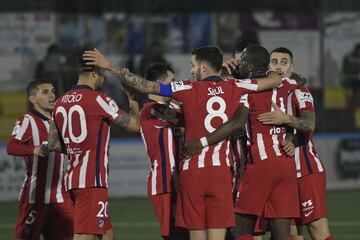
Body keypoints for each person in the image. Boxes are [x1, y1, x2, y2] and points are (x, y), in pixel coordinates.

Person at [82, 46, 281, 240]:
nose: (191, 70)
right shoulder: (234, 86)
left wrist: (108, 66)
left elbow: (146, 85)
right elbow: (274, 80)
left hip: (192, 171)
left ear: (203, 67)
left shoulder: (186, 87)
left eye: (193, 65)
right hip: (220, 172)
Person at [182, 45, 303, 240]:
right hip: (286, 162)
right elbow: (300, 79)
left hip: (262, 163)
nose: (240, 65)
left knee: (239, 228)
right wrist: (290, 133)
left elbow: (237, 122)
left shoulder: (246, 89)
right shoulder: (289, 84)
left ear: (252, 65)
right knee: (282, 232)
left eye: (244, 61)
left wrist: (201, 142)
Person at [48, 45, 140, 240]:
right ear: (96, 72)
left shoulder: (60, 103)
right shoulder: (99, 99)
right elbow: (135, 126)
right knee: (84, 236)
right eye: (102, 73)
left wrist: (77, 147)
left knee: (107, 234)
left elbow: (54, 144)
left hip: (73, 179)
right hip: (91, 181)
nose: (104, 78)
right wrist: (132, 98)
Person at [257, 47, 333, 240]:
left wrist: (285, 119)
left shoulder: (299, 91)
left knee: (317, 228)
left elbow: (309, 123)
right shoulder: (263, 93)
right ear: (267, 65)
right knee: (290, 233)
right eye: (274, 61)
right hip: (283, 172)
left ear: (292, 67)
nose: (279, 66)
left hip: (306, 169)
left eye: (284, 62)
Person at [7, 80, 73, 240]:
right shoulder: (27, 120)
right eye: (45, 92)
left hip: (60, 195)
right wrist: (33, 149)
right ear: (32, 99)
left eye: (52, 91)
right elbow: (11, 147)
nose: (51, 95)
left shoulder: (60, 121)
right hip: (35, 196)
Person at [139, 63, 186, 239]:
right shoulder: (152, 109)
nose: (175, 86)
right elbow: (189, 118)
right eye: (171, 82)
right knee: (175, 235)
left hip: (177, 181)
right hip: (164, 183)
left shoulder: (165, 108)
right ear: (160, 84)